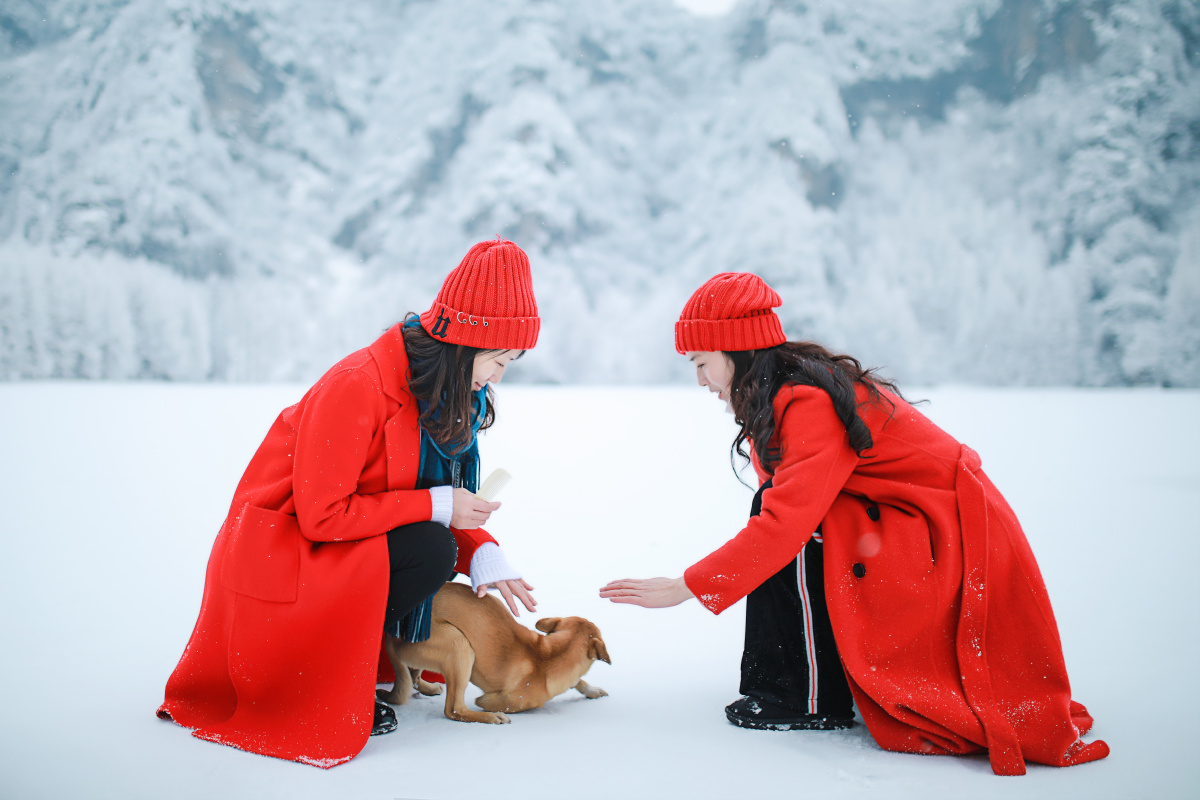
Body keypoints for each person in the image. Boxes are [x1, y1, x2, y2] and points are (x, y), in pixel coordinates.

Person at [600, 272, 1110, 776]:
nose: (700, 380)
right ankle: (809, 682)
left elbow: (783, 525)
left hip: (948, 531)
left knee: (795, 528)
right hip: (913, 522)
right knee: (786, 515)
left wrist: (684, 587)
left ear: (736, 350)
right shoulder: (779, 394)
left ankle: (804, 697)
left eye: (701, 362)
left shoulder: (806, 400)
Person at [157, 239, 540, 768]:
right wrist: (436, 507)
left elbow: (434, 494)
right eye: (497, 360)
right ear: (461, 345)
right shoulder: (358, 385)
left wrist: (482, 549)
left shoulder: (445, 395)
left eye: (509, 363)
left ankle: (354, 662)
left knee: (435, 545)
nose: (498, 377)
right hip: (286, 549)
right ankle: (317, 678)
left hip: (339, 545)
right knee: (429, 546)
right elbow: (323, 516)